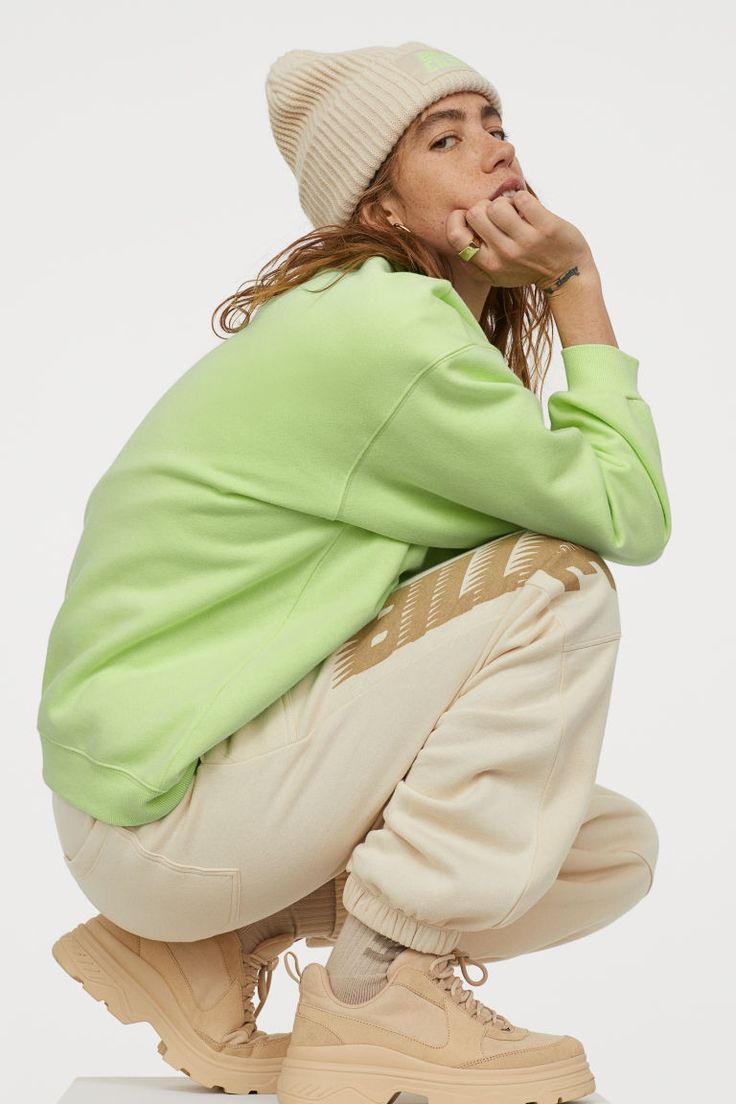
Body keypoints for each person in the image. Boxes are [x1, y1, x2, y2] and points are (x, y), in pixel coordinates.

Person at [42, 40, 670, 1103]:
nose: (494, 149)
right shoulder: (387, 327)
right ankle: (383, 994)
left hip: (169, 811)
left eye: (495, 122)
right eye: (445, 136)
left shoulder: (395, 326)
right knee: (555, 578)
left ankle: (202, 952)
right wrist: (574, 283)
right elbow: (624, 514)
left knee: (599, 846)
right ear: (377, 206)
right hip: (168, 811)